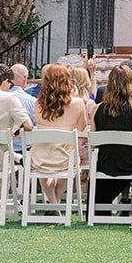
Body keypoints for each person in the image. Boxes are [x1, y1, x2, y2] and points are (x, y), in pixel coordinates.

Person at [29, 63, 85, 203]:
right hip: (65, 159)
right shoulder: (77, 103)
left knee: (43, 172)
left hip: (40, 159)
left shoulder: (38, 104)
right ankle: (54, 206)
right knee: (70, 169)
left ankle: (52, 204)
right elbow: (82, 128)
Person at [91, 64, 132, 210]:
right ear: (130, 84)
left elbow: (93, 142)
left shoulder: (96, 109)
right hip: (128, 165)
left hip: (103, 164)